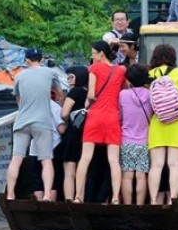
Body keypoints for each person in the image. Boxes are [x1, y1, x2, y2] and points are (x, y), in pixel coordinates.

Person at [74, 41, 126, 204]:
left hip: (95, 116)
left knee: (85, 158)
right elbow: (122, 90)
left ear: (101, 54)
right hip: (112, 117)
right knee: (113, 160)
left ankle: (78, 196)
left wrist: (88, 103)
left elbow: (90, 94)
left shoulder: (94, 68)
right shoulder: (120, 70)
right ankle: (116, 197)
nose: (92, 56)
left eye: (94, 53)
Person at [6, 48, 59, 200]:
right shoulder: (50, 73)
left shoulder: (19, 76)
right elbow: (59, 94)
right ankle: (48, 195)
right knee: (46, 160)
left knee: (16, 158)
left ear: (27, 60)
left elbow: (19, 102)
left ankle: (10, 194)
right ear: (41, 60)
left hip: (22, 121)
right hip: (42, 122)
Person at [146, 44, 178, 205]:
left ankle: (153, 199)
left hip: (157, 121)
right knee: (175, 164)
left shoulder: (150, 74)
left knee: (156, 165)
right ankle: (173, 200)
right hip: (177, 121)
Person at [119, 64, 152, 205]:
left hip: (126, 140)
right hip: (145, 141)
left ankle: (127, 206)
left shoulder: (122, 94)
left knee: (126, 176)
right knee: (141, 176)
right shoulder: (150, 94)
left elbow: (120, 116)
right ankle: (139, 206)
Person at [58, 65, 88, 201]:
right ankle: (80, 198)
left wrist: (64, 118)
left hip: (72, 134)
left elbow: (64, 113)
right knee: (83, 169)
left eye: (71, 77)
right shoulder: (89, 93)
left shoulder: (74, 92)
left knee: (69, 171)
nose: (69, 80)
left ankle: (69, 199)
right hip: (86, 134)